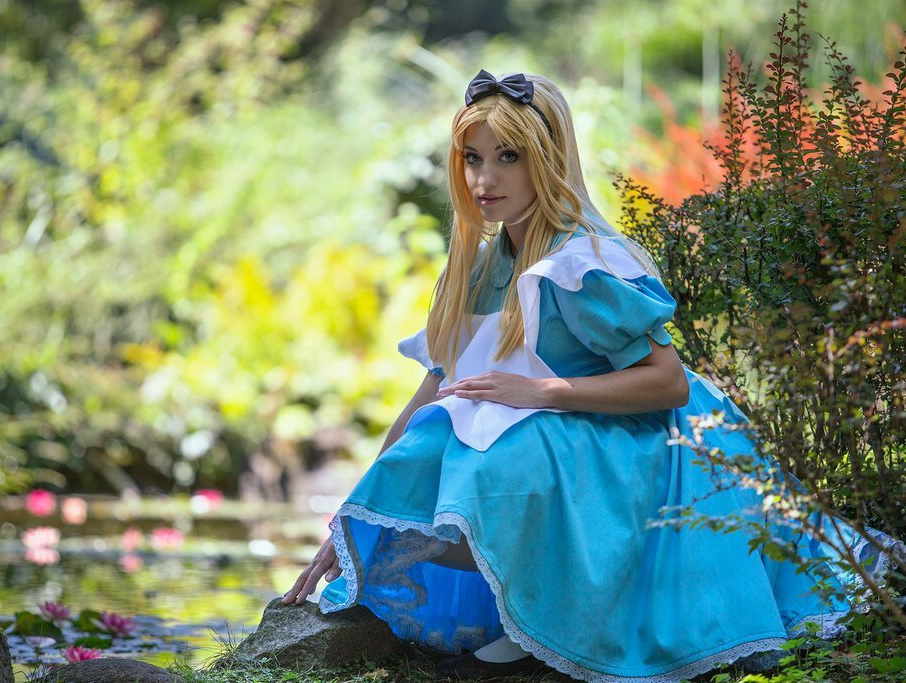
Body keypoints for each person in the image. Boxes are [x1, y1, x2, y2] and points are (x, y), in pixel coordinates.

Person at [281, 69, 904, 681]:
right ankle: (534, 613)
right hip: (564, 450)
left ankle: (556, 625)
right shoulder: (477, 267)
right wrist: (354, 520)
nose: (484, 179)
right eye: (472, 159)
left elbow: (668, 383)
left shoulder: (585, 262)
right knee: (442, 428)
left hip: (644, 449)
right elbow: (429, 396)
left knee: (509, 445)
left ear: (547, 159)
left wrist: (540, 391)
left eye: (507, 157)